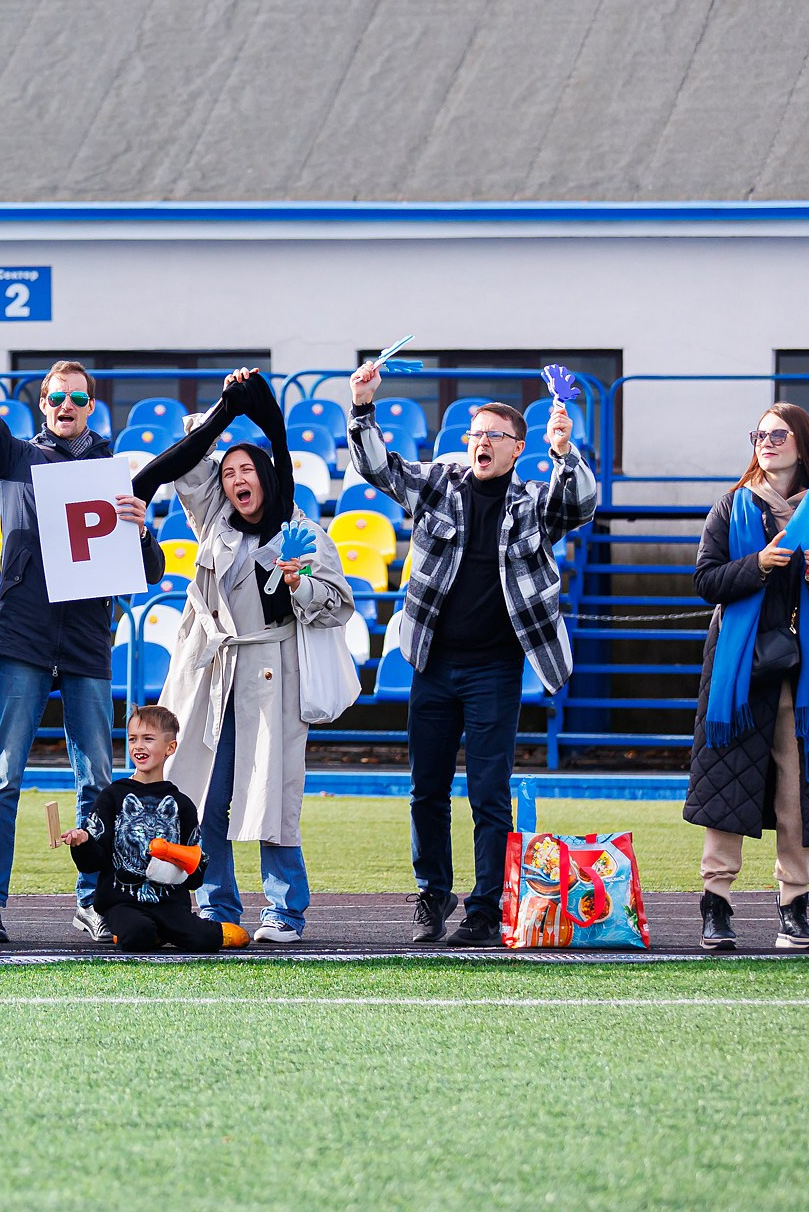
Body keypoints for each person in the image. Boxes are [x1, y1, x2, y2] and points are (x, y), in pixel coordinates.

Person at [0, 288, 164, 942]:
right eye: (55, 396)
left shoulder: (116, 472)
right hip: (25, 634)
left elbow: (148, 575)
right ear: (41, 404)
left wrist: (142, 533)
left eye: (77, 397)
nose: (65, 406)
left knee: (97, 778)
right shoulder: (14, 456)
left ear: (94, 406)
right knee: (4, 774)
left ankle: (92, 897)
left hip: (88, 638)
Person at [346, 364, 598, 946]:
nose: (481, 442)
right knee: (425, 788)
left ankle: (485, 906)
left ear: (518, 448)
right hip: (433, 663)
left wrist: (566, 450)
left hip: (495, 669)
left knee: (489, 791)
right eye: (475, 434)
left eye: (495, 436)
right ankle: (433, 895)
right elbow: (376, 467)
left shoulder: (535, 501)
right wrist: (363, 407)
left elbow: (581, 503)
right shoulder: (439, 484)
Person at [135, 370, 349, 944]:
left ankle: (284, 910)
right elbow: (186, 457)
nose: (235, 481)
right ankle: (216, 906)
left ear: (267, 476)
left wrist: (298, 584)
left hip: (273, 678)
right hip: (212, 675)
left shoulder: (303, 531)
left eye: (246, 470)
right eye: (228, 474)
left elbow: (338, 605)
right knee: (204, 793)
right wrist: (229, 407)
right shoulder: (214, 523)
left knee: (276, 796)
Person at [685, 403, 809, 951]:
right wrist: (758, 564)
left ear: (802, 444)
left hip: (805, 676)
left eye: (777, 434)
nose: (766, 441)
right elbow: (706, 581)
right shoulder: (730, 505)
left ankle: (794, 910)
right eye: (759, 433)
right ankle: (717, 906)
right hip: (738, 673)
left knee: (798, 793)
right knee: (727, 786)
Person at [58, 705, 250, 953]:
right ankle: (146, 931)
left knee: (203, 941)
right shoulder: (111, 797)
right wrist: (82, 842)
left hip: (170, 902)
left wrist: (185, 863)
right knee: (138, 935)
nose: (139, 746)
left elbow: (194, 876)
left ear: (170, 748)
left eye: (148, 739)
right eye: (133, 739)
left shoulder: (182, 805)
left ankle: (181, 931)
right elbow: (92, 863)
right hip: (122, 902)